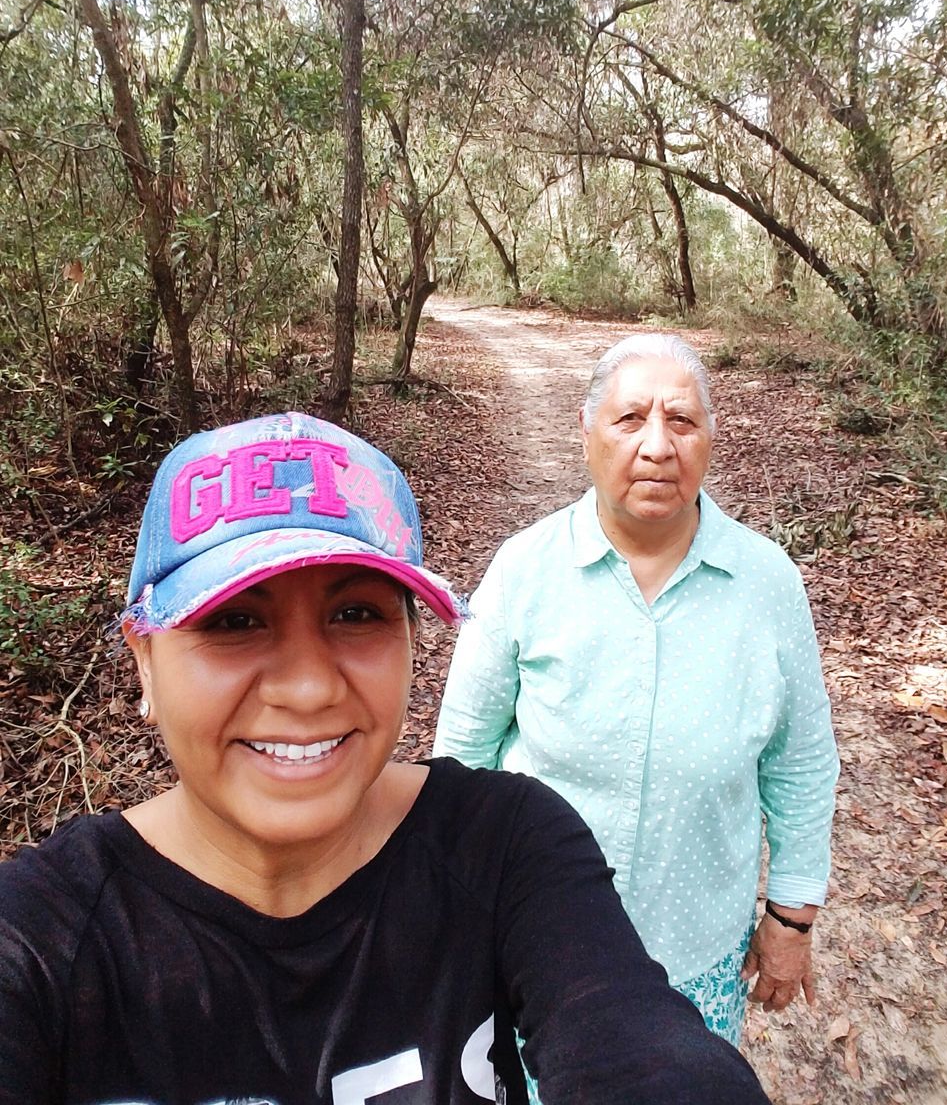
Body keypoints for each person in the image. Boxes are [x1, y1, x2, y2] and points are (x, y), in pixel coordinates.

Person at [0, 410, 771, 1105]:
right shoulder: (46, 940)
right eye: (234, 620)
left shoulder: (506, 845)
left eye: (356, 613)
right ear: (144, 661)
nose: (306, 687)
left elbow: (631, 1040)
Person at [435, 334, 840, 1051]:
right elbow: (463, 757)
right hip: (534, 943)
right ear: (586, 433)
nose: (657, 446)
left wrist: (791, 918)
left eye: (682, 421)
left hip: (697, 953)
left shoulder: (767, 582)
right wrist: (456, 910)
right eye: (629, 420)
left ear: (712, 437)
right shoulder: (526, 571)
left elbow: (800, 760)